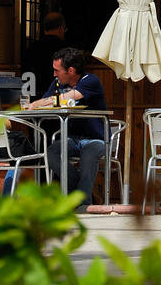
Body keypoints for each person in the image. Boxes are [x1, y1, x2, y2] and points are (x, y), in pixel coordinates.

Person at [27, 47, 106, 212]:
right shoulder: (58, 82)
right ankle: (81, 194)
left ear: (70, 70)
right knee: (51, 152)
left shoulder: (90, 80)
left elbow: (66, 97)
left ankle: (82, 205)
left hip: (95, 138)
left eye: (57, 70)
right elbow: (46, 100)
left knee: (88, 155)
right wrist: (40, 103)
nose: (54, 74)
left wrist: (37, 104)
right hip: (72, 137)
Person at [21, 12, 66, 98]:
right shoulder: (64, 49)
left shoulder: (31, 48)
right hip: (56, 96)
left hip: (33, 94)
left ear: (44, 29)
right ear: (61, 28)